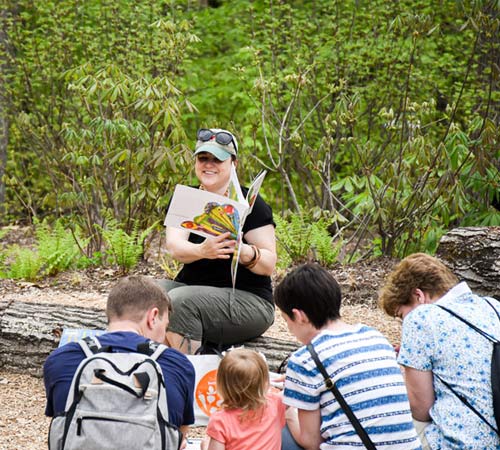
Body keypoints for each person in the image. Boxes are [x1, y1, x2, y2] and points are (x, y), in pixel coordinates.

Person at [274, 263, 421, 450]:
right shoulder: (376, 337)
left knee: (277, 430)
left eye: (287, 321)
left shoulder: (305, 359)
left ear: (299, 316)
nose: (290, 329)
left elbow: (311, 442)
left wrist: (288, 412)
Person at [160, 128, 277, 354]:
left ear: (234, 164)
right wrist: (204, 250)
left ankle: (188, 375)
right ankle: (150, 368)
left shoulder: (252, 205)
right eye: (203, 158)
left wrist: (245, 253)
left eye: (218, 159)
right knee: (142, 293)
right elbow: (175, 247)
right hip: (192, 289)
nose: (209, 164)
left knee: (181, 301)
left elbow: (269, 263)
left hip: (249, 301)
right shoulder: (185, 198)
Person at [43, 275, 196, 440]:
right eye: (165, 326)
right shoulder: (177, 365)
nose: (164, 334)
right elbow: (179, 438)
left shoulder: (61, 360)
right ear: (153, 317)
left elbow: (61, 431)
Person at [379, 252, 500, 449]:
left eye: (401, 316)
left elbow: (421, 409)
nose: (403, 324)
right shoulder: (493, 306)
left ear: (418, 296)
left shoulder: (421, 318)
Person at [201, 348, 286, 450]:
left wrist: (205, 447)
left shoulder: (220, 421)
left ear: (221, 384)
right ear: (265, 381)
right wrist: (291, 378)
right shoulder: (276, 402)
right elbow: (299, 392)